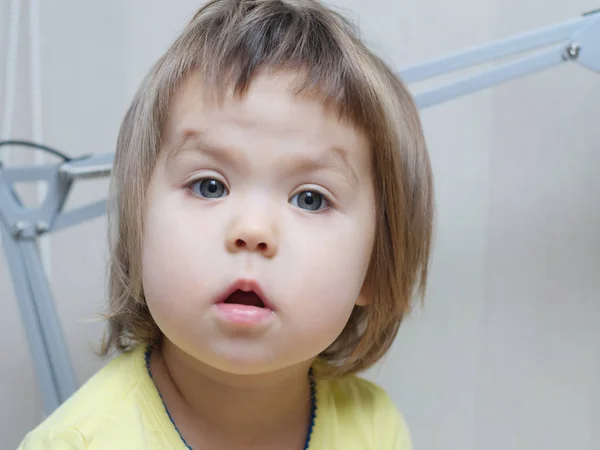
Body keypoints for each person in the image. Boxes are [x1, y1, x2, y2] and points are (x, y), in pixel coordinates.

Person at [18, 0, 433, 448]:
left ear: (375, 267)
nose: (252, 230)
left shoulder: (375, 430)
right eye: (209, 186)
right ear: (140, 228)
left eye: (310, 199)